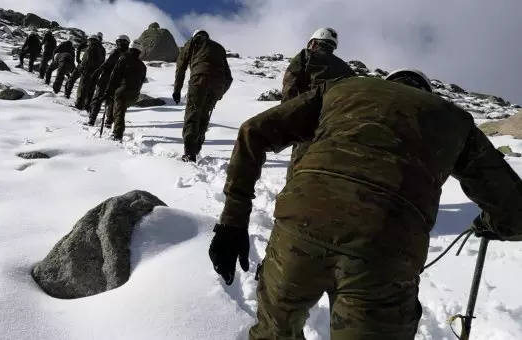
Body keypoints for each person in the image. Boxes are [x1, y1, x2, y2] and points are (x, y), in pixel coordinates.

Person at [208, 69, 522, 339]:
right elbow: (514, 209)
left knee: (273, 332)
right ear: (426, 92)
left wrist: (232, 222)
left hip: (301, 228)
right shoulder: (454, 120)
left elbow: (253, 132)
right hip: (385, 248)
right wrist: (492, 224)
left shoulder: (342, 89)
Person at [282, 27, 355, 181]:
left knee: (299, 169)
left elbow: (290, 85)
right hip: (336, 125)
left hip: (309, 120)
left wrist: (287, 116)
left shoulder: (306, 56)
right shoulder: (347, 70)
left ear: (314, 42)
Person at [173, 29, 233, 163]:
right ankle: (196, 149)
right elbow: (229, 78)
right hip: (217, 85)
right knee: (204, 115)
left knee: (192, 114)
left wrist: (177, 90)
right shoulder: (219, 48)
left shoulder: (194, 41)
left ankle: (189, 154)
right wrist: (220, 94)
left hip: (199, 79)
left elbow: (181, 65)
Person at [101, 41, 146, 142]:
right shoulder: (143, 66)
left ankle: (117, 134)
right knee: (119, 110)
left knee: (119, 112)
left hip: (122, 90)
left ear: (130, 48)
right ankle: (111, 124)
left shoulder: (123, 59)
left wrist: (108, 92)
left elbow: (114, 76)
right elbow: (142, 80)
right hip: (135, 93)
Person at [87, 34, 131, 127]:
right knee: (111, 100)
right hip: (117, 81)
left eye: (119, 42)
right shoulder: (129, 54)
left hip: (106, 78)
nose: (119, 44)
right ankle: (108, 121)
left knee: (98, 97)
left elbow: (107, 63)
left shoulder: (116, 51)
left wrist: (97, 72)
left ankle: (92, 119)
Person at [64, 34, 106, 110]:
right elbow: (102, 61)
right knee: (90, 88)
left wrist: (81, 64)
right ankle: (86, 105)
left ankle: (78, 104)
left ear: (92, 40)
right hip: (94, 71)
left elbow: (87, 59)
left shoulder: (92, 47)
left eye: (89, 40)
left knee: (82, 86)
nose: (88, 41)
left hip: (86, 69)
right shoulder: (101, 49)